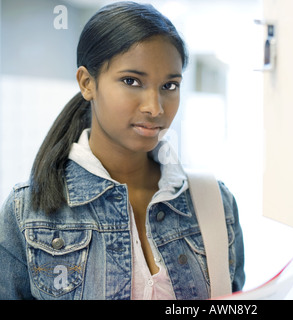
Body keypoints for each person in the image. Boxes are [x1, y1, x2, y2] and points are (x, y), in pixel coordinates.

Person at [0, 1, 245, 300]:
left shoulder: (215, 202)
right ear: (87, 83)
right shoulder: (27, 211)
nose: (155, 108)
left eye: (169, 86)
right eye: (132, 81)